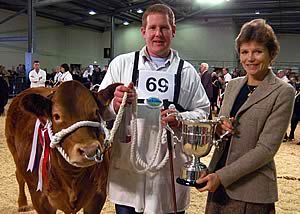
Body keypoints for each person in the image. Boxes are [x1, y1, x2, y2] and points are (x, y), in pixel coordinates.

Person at [99, 4, 210, 214]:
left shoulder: (187, 72)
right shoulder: (121, 64)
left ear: (173, 31)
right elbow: (100, 112)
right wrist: (115, 104)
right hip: (129, 166)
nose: (158, 34)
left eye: (164, 28)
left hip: (167, 167)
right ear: (143, 32)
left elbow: (203, 112)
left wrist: (181, 117)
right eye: (152, 28)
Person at [196, 19, 295, 213]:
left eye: (257, 51)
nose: (250, 58)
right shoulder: (232, 86)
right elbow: (220, 131)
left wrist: (222, 176)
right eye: (244, 52)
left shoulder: (283, 92)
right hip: (217, 185)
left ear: (271, 54)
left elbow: (266, 149)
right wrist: (218, 128)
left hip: (251, 192)